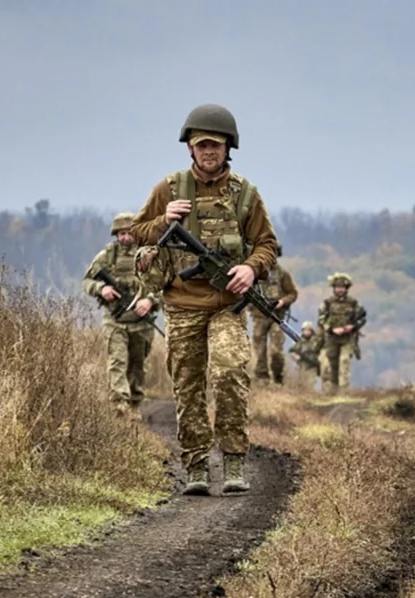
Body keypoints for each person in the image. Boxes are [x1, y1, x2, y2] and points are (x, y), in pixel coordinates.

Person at [130, 103, 279, 496]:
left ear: (229, 147)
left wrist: (251, 268)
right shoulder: (169, 188)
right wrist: (164, 220)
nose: (209, 151)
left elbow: (267, 244)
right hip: (182, 306)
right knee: (188, 384)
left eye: (216, 145)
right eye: (202, 145)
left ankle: (233, 462)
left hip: (227, 305)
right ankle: (196, 465)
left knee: (230, 373)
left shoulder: (245, 194)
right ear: (190, 149)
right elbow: (135, 233)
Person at [82, 213, 162, 420]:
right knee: (117, 362)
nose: (125, 238)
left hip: (142, 322)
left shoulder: (149, 256)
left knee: (138, 365)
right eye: (121, 234)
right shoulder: (107, 256)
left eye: (129, 233)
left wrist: (150, 301)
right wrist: (102, 288)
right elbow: (87, 281)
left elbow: (165, 286)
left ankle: (135, 403)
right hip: (115, 320)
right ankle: (120, 404)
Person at [248, 245, 297, 385]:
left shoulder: (282, 274)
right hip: (259, 317)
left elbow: (292, 293)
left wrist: (282, 301)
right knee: (259, 350)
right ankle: (262, 379)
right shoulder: (254, 272)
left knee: (276, 350)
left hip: (277, 317)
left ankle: (278, 378)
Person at [317, 272, 367, 393]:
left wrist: (352, 326)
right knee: (332, 365)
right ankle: (334, 392)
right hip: (331, 338)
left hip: (348, 338)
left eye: (342, 287)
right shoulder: (327, 303)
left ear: (346, 288)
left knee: (344, 361)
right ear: (333, 288)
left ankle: (344, 391)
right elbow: (321, 319)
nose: (340, 290)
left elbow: (362, 317)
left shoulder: (353, 303)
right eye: (337, 287)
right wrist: (331, 329)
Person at [288, 321, 323, 391]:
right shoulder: (299, 340)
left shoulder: (316, 340)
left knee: (310, 385)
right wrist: (295, 356)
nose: (306, 332)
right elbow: (292, 351)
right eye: (305, 330)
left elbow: (321, 350)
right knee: (300, 386)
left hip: (312, 366)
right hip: (301, 366)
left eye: (308, 330)